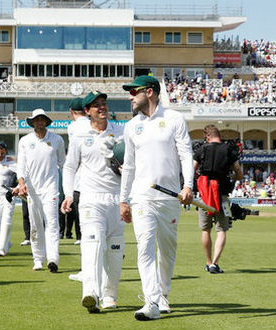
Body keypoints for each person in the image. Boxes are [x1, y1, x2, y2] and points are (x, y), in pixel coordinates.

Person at [119, 75, 194, 320]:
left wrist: (188, 186)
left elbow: (185, 154)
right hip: (142, 197)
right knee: (145, 248)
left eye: (134, 92)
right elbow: (128, 166)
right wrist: (124, 199)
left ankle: (163, 294)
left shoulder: (174, 118)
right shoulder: (131, 126)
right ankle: (151, 301)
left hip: (170, 198)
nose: (130, 97)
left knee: (167, 251)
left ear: (149, 92)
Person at [62, 91, 125, 313]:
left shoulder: (120, 131)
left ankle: (110, 295)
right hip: (90, 198)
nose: (102, 108)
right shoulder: (80, 135)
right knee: (93, 244)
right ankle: (90, 292)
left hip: (117, 199)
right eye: (96, 105)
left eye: (104, 104)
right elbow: (70, 166)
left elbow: (132, 161)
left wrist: (124, 167)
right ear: (87, 111)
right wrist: (69, 194)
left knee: (115, 250)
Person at [16, 108, 66, 272]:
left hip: (50, 188)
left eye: (42, 119)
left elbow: (63, 164)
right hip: (32, 190)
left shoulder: (57, 140)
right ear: (32, 122)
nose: (39, 122)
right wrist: (21, 184)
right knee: (35, 225)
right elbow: (21, 166)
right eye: (36, 119)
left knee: (52, 223)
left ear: (46, 121)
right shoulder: (24, 141)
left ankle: (53, 259)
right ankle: (38, 259)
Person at [193, 125, 243, 274]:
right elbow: (239, 172)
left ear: (207, 136)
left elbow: (192, 170)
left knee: (205, 229)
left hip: (205, 195)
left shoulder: (202, 149)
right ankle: (215, 263)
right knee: (221, 229)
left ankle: (208, 262)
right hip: (222, 194)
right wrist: (234, 177)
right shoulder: (229, 149)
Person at [65, 97, 88, 244]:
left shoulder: (72, 127)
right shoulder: (92, 123)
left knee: (79, 208)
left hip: (79, 173)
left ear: (71, 111)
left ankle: (80, 236)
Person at [0, 141, 18, 256]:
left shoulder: (11, 163)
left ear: (6, 152)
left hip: (8, 195)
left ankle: (1, 248)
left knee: (6, 220)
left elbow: (23, 175)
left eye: (2, 153)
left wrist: (16, 188)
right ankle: (7, 242)